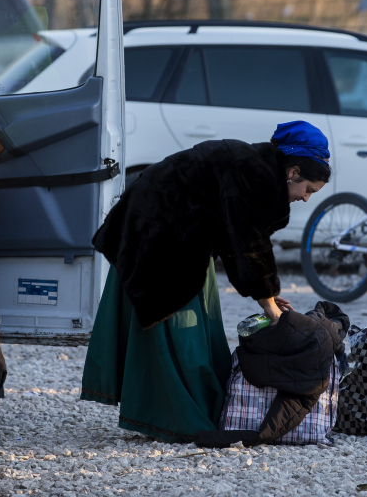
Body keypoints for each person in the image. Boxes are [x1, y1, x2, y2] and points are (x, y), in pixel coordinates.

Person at [80, 121, 331, 442]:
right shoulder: (255, 174)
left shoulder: (258, 167)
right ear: (293, 172)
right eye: (308, 189)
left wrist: (269, 297)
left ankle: (196, 408)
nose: (306, 198)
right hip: (156, 238)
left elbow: (236, 240)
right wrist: (269, 305)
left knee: (199, 326)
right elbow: (249, 246)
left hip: (181, 238)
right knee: (176, 332)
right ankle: (173, 419)